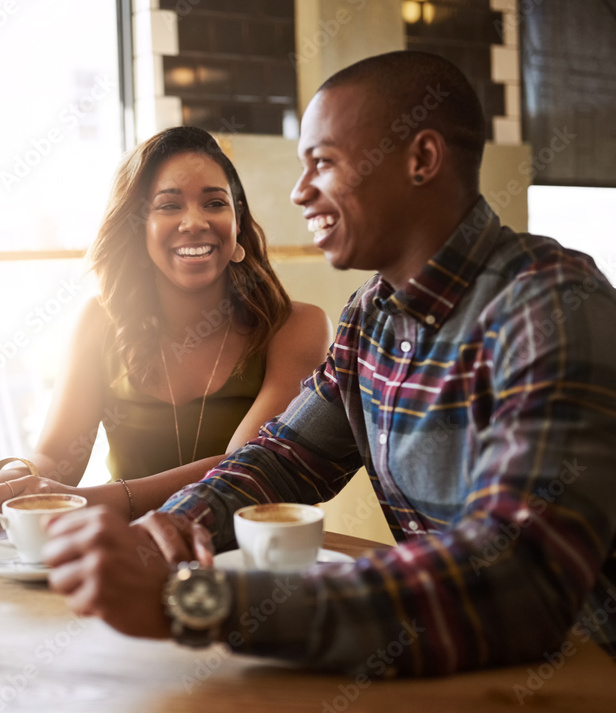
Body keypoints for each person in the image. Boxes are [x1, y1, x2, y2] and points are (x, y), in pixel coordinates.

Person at [40, 51, 616, 675]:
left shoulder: (551, 303)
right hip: (457, 670)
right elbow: (279, 462)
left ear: (420, 160)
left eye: (323, 163)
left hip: (583, 674)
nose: (299, 191)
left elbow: (518, 580)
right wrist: (168, 534)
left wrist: (201, 601)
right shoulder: (370, 317)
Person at [0, 126, 331, 534]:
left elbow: (246, 472)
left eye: (215, 203)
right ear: (138, 226)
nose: (195, 221)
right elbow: (56, 460)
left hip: (247, 566)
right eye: (169, 206)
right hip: (121, 560)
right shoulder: (100, 322)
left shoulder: (297, 327)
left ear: (237, 221)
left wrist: (98, 500)